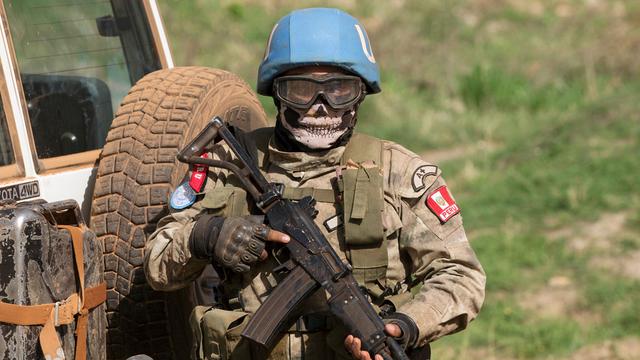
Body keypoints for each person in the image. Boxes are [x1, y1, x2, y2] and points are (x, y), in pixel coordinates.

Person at [144, 7, 485, 360]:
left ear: (361, 94)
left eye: (340, 89)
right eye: (301, 90)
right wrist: (208, 236)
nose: (321, 107)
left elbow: (461, 275)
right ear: (276, 93)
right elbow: (156, 264)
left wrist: (406, 325)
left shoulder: (398, 171)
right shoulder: (227, 165)